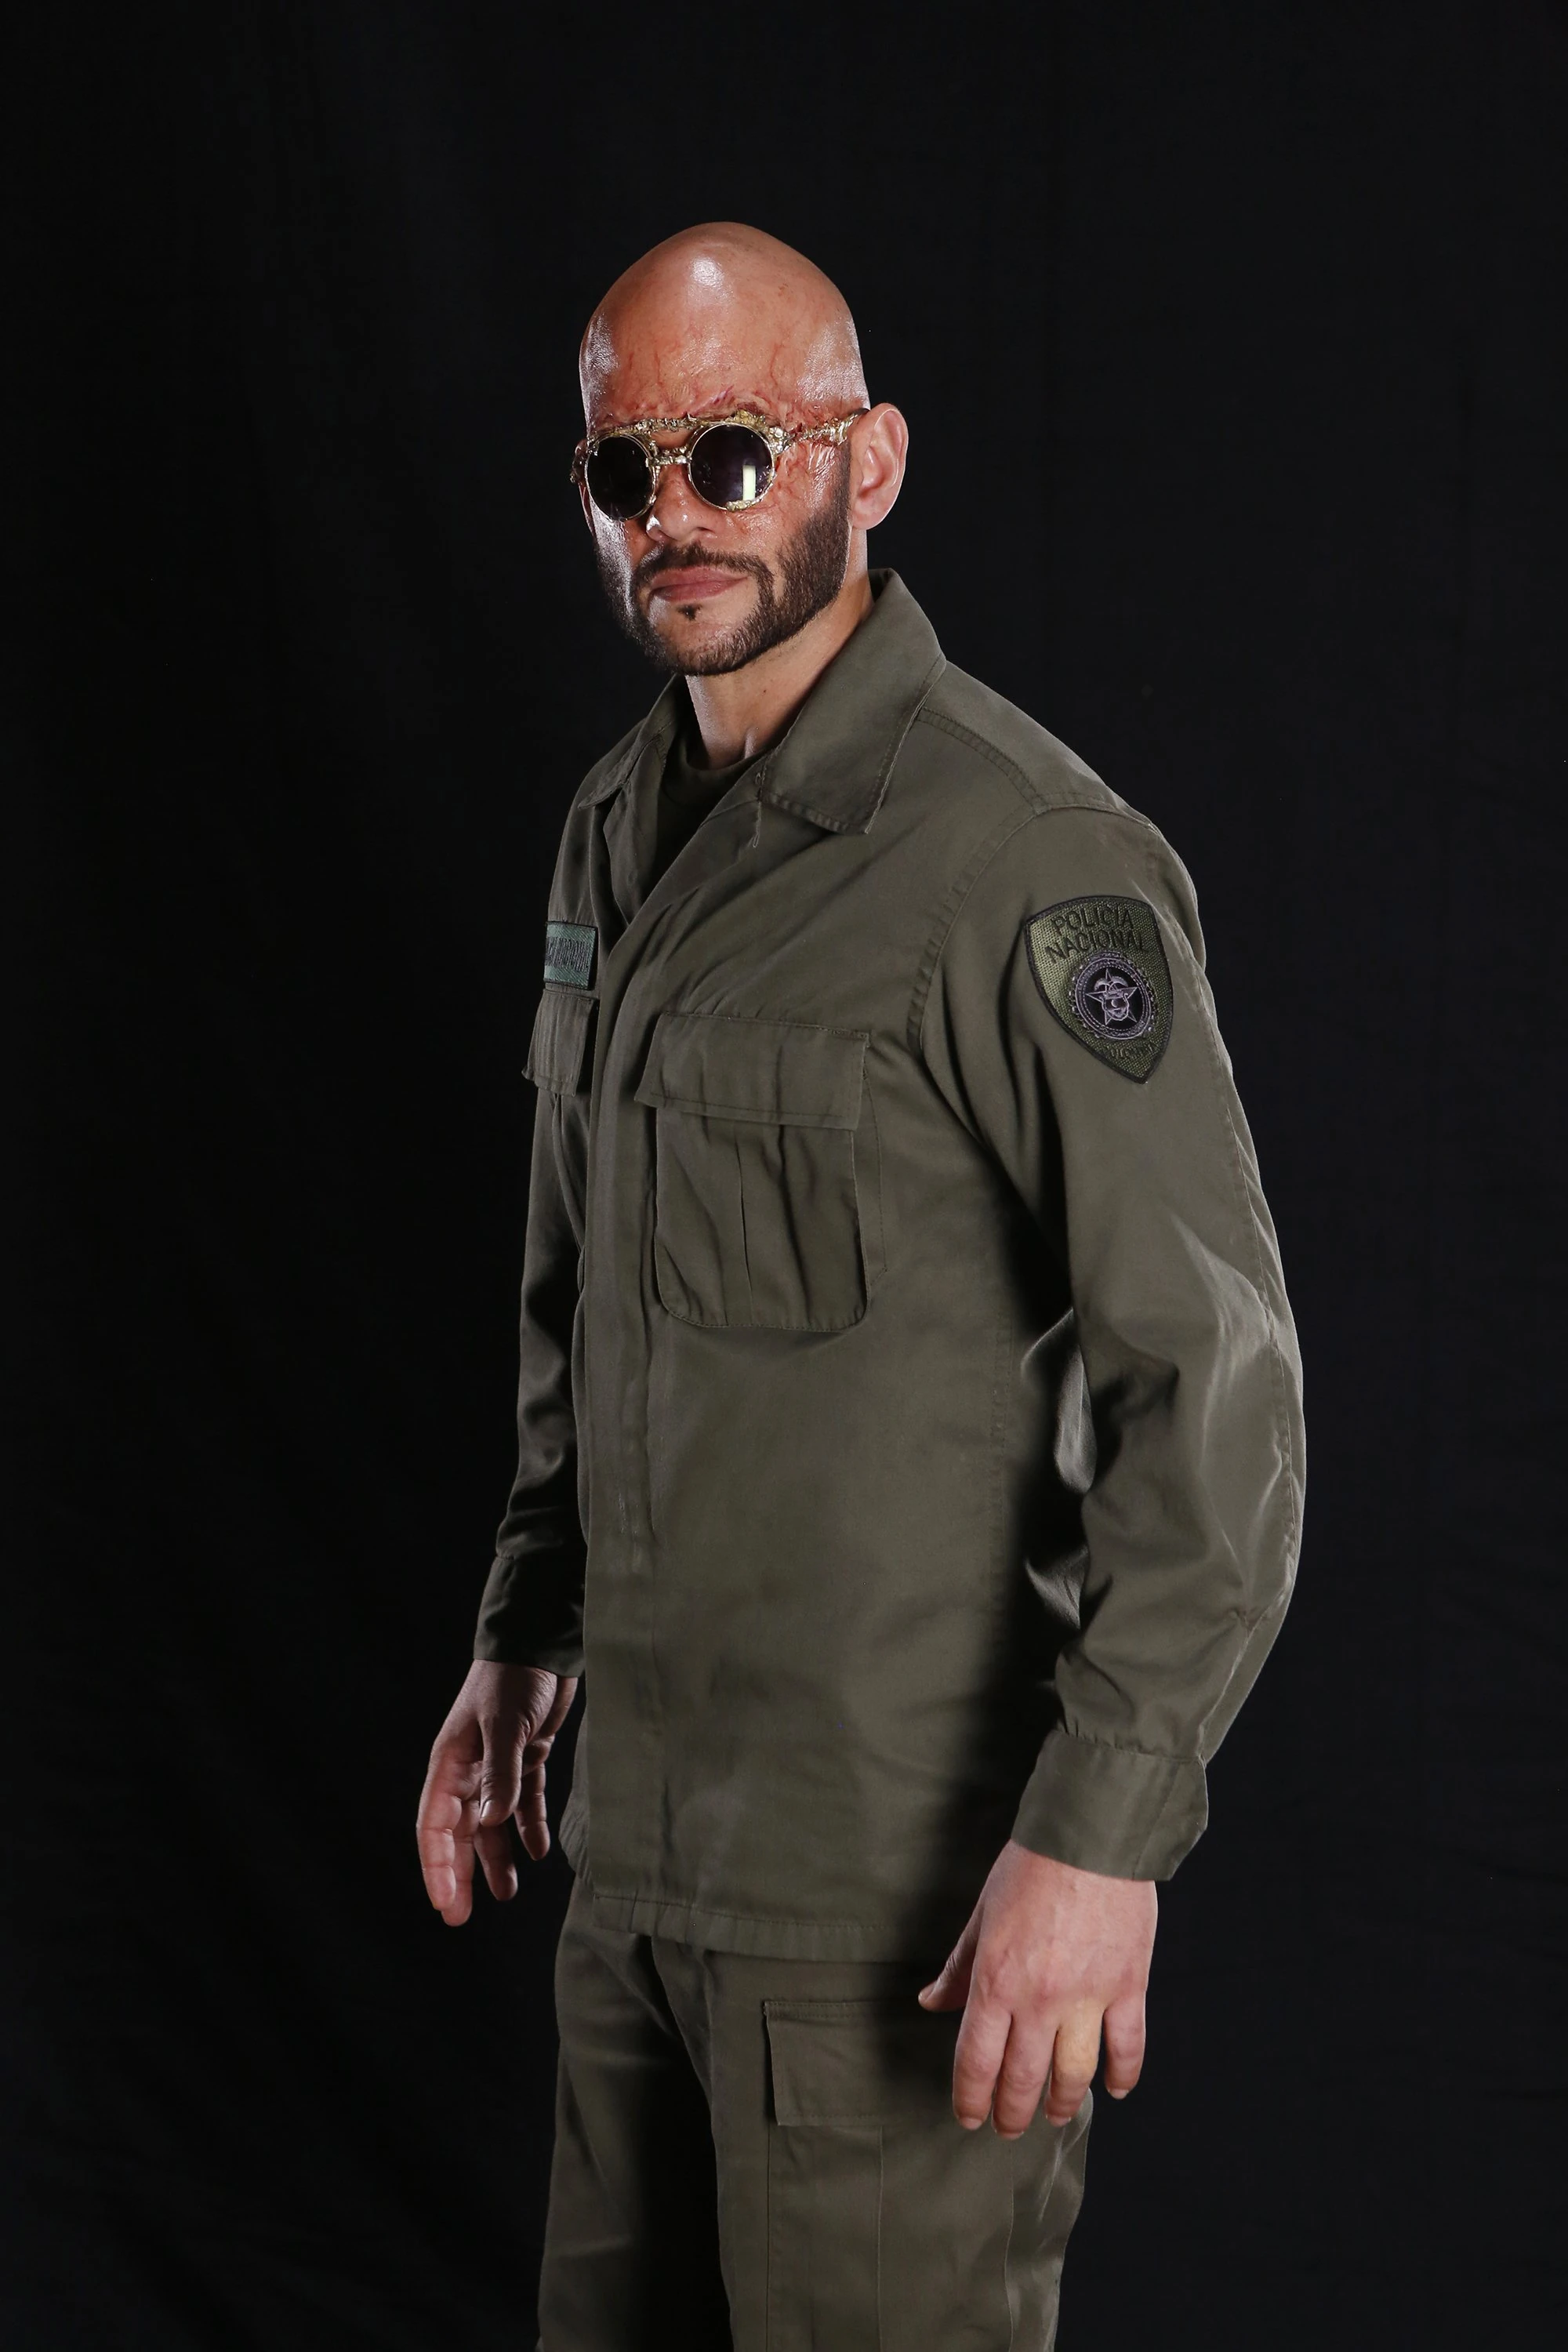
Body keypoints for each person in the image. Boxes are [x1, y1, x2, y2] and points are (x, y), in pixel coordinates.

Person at [416, 221, 1305, 2351]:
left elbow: (1219, 1389)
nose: (677, 514)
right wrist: (524, 1637)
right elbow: (581, 1303)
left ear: (869, 462)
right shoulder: (614, 832)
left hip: (894, 1915)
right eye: (624, 470)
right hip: (639, 1881)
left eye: (732, 453)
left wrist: (1101, 1844)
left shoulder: (1028, 863)